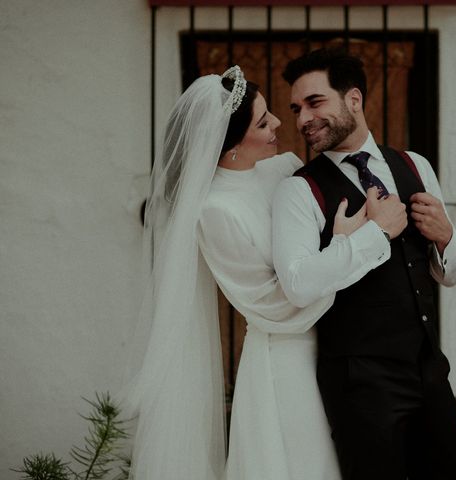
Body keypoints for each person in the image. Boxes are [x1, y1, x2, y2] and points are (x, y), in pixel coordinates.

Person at [122, 66, 364, 480]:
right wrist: (344, 249)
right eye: (262, 121)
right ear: (231, 144)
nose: (276, 124)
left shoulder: (285, 168)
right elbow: (270, 304)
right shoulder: (216, 211)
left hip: (342, 347)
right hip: (286, 358)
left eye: (270, 113)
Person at [272, 47, 456, 479]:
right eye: (295, 108)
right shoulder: (299, 191)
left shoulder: (414, 165)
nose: (302, 118)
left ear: (354, 100)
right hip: (360, 385)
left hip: (429, 372)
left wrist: (446, 237)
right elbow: (298, 284)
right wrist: (375, 233)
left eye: (314, 102)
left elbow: (451, 273)